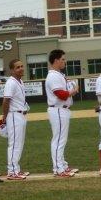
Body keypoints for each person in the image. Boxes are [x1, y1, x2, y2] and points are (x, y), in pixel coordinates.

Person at [45, 49, 79, 177]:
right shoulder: (53, 75)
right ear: (56, 60)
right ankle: (58, 169)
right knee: (58, 139)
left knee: (61, 140)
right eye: (63, 59)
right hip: (58, 109)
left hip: (62, 109)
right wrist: (74, 91)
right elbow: (61, 95)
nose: (65, 61)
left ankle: (62, 165)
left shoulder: (59, 75)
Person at [0, 59, 30, 180]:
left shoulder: (20, 81)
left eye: (22, 66)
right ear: (12, 70)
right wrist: (4, 117)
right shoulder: (11, 83)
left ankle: (16, 169)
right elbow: (6, 101)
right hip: (13, 116)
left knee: (19, 144)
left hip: (20, 115)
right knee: (14, 144)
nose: (21, 68)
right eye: (18, 67)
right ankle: (12, 171)